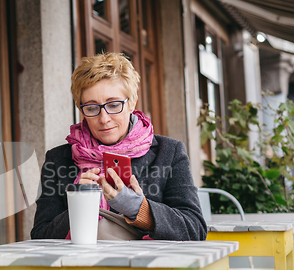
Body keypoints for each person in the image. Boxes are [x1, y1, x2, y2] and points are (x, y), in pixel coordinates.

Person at [31, 53, 206, 241]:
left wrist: (139, 208)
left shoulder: (169, 153)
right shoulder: (57, 160)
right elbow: (41, 235)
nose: (104, 118)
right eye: (91, 108)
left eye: (114, 105)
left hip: (146, 268)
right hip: (80, 268)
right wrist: (78, 204)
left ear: (131, 102)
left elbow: (194, 229)